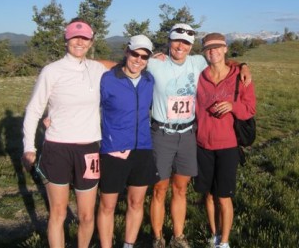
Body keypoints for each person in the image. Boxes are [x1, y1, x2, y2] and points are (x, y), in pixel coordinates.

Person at [147, 24, 251, 248]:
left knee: (181, 188)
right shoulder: (155, 63)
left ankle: (178, 236)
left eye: (186, 43)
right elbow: (129, 66)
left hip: (187, 134)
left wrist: (244, 65)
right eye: (176, 41)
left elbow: (224, 62)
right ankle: (157, 238)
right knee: (159, 189)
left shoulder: (198, 62)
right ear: (168, 42)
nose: (180, 46)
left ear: (192, 47)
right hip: (162, 133)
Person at [22, 18, 110, 248]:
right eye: (74, 37)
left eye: (85, 38)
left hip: (89, 148)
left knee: (87, 215)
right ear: (66, 39)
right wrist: (28, 148)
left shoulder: (97, 69)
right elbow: (33, 109)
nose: (79, 42)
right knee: (58, 213)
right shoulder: (51, 71)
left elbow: (122, 67)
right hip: (57, 147)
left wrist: (148, 59)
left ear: (91, 42)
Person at [194, 33, 256, 248]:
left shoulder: (239, 76)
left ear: (225, 49)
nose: (213, 51)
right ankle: (214, 234)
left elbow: (250, 109)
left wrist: (233, 107)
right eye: (208, 48)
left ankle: (225, 241)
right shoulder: (199, 76)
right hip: (202, 144)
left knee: (224, 196)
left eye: (217, 47)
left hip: (228, 145)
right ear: (204, 52)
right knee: (208, 195)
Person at [96, 35, 158, 248]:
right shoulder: (108, 79)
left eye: (144, 56)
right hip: (113, 150)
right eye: (135, 54)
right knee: (107, 205)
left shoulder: (150, 80)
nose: (138, 60)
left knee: (136, 202)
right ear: (126, 52)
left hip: (142, 148)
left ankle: (128, 244)